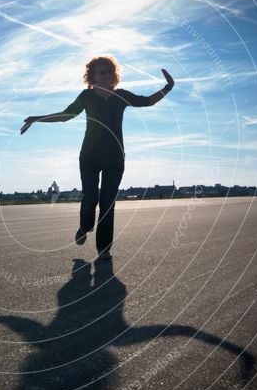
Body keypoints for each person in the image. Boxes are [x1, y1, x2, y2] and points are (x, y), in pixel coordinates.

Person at [20, 55, 174, 260]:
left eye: (110, 71)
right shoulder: (87, 96)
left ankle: (104, 249)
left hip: (115, 160)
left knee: (107, 204)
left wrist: (167, 87)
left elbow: (147, 101)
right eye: (103, 72)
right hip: (90, 157)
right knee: (90, 197)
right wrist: (36, 118)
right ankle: (84, 227)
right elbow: (66, 115)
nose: (108, 75)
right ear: (92, 77)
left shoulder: (121, 96)